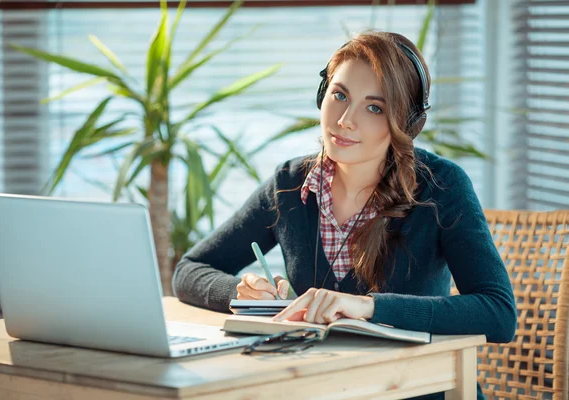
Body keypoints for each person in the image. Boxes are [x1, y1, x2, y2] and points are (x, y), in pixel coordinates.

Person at [173, 30, 516, 400]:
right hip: (323, 390)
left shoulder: (442, 186)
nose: (346, 120)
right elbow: (189, 270)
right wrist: (252, 297)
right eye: (339, 96)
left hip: (420, 391)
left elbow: (497, 312)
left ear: (406, 122)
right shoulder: (290, 185)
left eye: (374, 107)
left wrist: (367, 307)